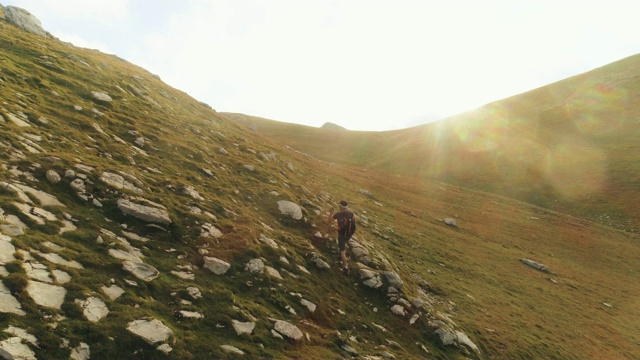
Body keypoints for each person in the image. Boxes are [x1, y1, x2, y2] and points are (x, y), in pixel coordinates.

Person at [328, 200, 356, 274]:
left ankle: (346, 267)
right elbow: (353, 222)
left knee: (342, 251)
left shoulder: (338, 214)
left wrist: (331, 213)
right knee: (344, 244)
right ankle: (343, 256)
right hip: (349, 235)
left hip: (342, 235)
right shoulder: (351, 214)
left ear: (340, 207)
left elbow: (329, 220)